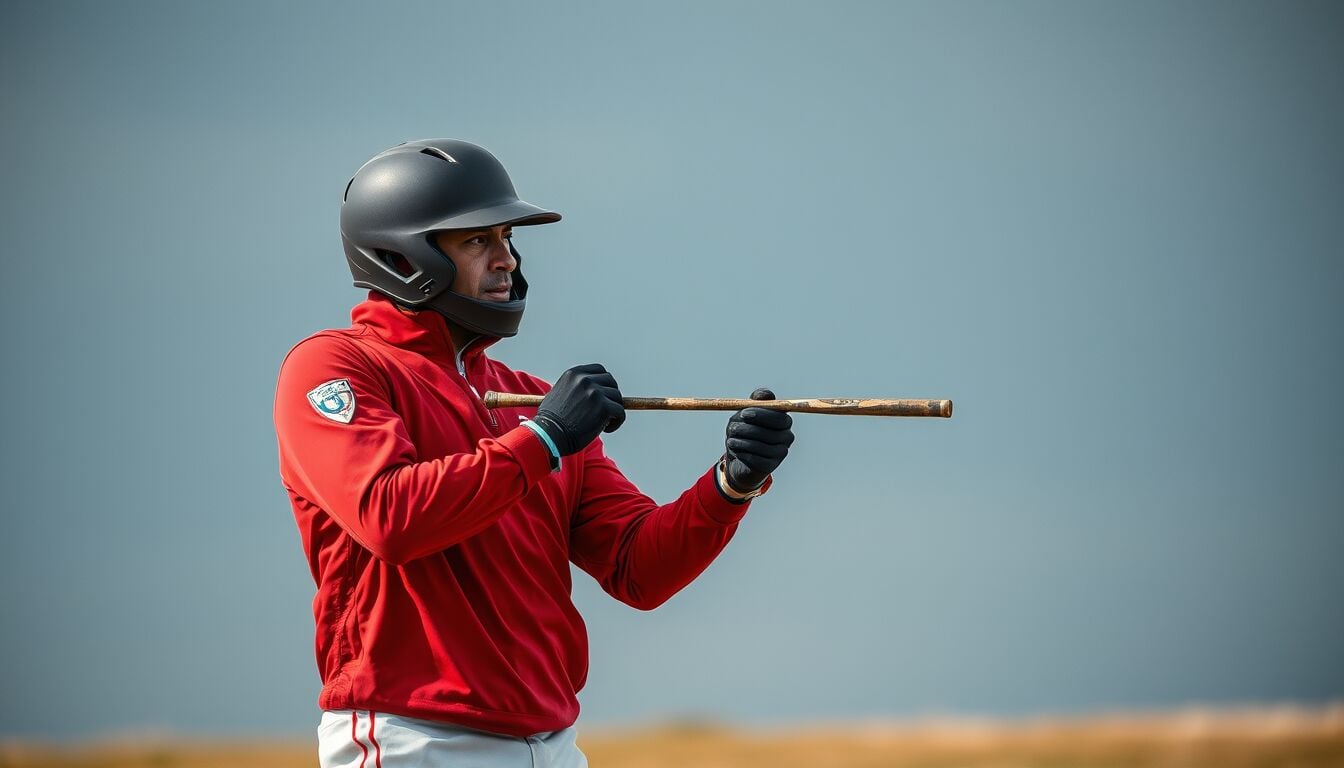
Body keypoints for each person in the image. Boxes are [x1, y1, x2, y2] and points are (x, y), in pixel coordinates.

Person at [273, 138, 795, 767]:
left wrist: (729, 486)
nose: (507, 261)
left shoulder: (530, 400)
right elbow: (390, 517)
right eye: (477, 241)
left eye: (508, 239)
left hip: (551, 744)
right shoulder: (334, 367)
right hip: (413, 738)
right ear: (399, 255)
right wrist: (544, 439)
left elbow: (638, 567)